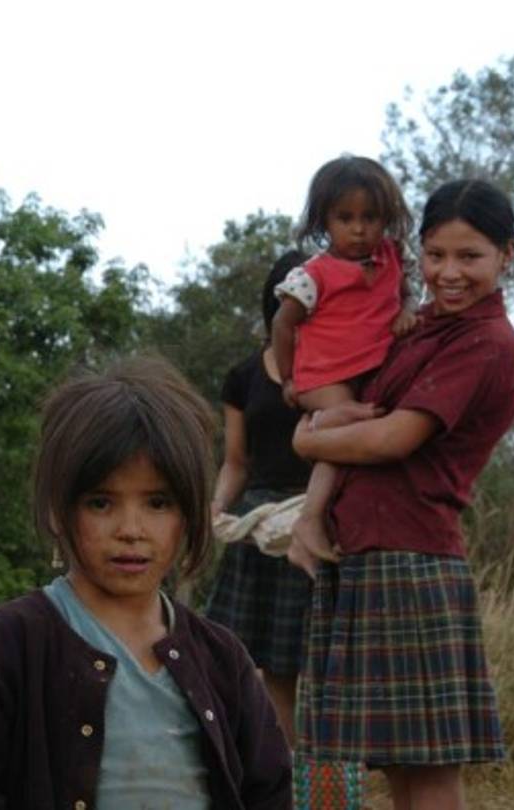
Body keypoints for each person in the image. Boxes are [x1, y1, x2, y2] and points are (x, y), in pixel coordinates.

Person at [0, 356, 293, 810]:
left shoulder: (222, 660)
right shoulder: (10, 646)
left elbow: (270, 792)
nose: (131, 529)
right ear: (60, 509)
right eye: (101, 503)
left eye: (158, 503)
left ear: (189, 514)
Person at [292, 179, 514, 810]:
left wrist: (309, 442)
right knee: (397, 765)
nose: (449, 273)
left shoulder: (483, 342)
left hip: (413, 560)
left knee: (431, 773)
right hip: (372, 552)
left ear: (508, 255)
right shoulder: (420, 330)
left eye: (469, 257)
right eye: (436, 255)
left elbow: (393, 438)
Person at [271, 156, 416, 575]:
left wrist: (406, 310)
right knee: (344, 439)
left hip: (369, 370)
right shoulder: (312, 275)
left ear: (386, 218)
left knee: (355, 438)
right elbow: (283, 325)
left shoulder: (391, 256)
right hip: (324, 374)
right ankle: (309, 522)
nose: (358, 229)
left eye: (370, 217)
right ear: (324, 221)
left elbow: (407, 292)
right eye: (345, 218)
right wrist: (289, 378)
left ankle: (323, 519)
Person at [205, 250, 315, 746]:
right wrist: (216, 507)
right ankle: (259, 777)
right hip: (257, 525)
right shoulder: (243, 375)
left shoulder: (339, 369)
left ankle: (306, 786)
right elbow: (236, 463)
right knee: (240, 662)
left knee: (295, 671)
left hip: (316, 521)